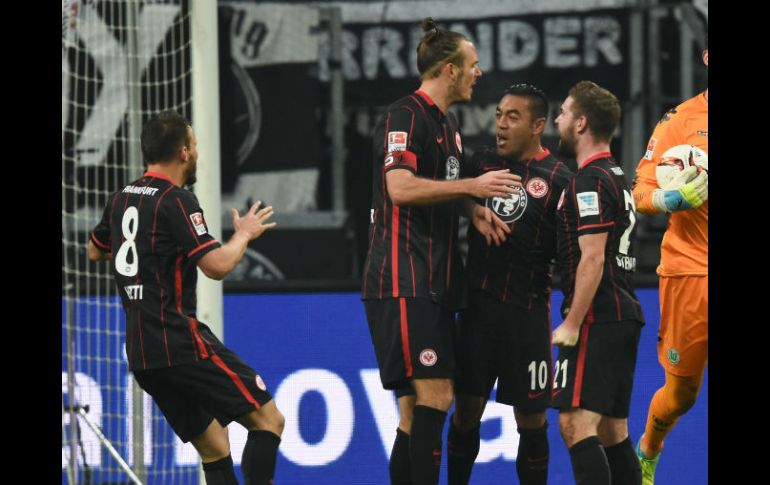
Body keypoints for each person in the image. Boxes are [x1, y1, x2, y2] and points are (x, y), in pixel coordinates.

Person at [361, 17, 521, 485]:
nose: (480, 72)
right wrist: (473, 185)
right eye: (473, 64)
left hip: (431, 281)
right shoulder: (404, 115)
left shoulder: (446, 126)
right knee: (436, 396)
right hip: (402, 276)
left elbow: (439, 187)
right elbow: (400, 186)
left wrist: (471, 208)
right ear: (449, 69)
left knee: (414, 414)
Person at [88, 111, 284, 485]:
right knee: (269, 420)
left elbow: (96, 251)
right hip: (179, 342)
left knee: (214, 446)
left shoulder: (121, 198)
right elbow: (217, 266)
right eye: (194, 145)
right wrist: (242, 234)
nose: (197, 152)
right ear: (183, 152)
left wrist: (144, 252)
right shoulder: (177, 201)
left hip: (143, 355)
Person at [447, 83, 573, 485]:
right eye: (499, 115)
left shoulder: (560, 180)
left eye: (512, 117)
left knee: (532, 421)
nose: (500, 124)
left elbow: (574, 252)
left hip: (528, 315)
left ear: (538, 125)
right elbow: (450, 196)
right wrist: (472, 208)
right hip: (477, 311)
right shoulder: (481, 163)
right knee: (466, 412)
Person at [551, 81, 645, 485]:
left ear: (582, 123)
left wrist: (572, 323)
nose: (557, 120)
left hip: (597, 316)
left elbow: (592, 258)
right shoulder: (618, 176)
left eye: (564, 113)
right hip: (623, 314)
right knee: (612, 432)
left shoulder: (588, 180)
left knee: (575, 426)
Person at [630, 38, 708, 485]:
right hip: (690, 271)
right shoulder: (679, 122)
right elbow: (639, 194)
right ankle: (649, 449)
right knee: (681, 395)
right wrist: (670, 197)